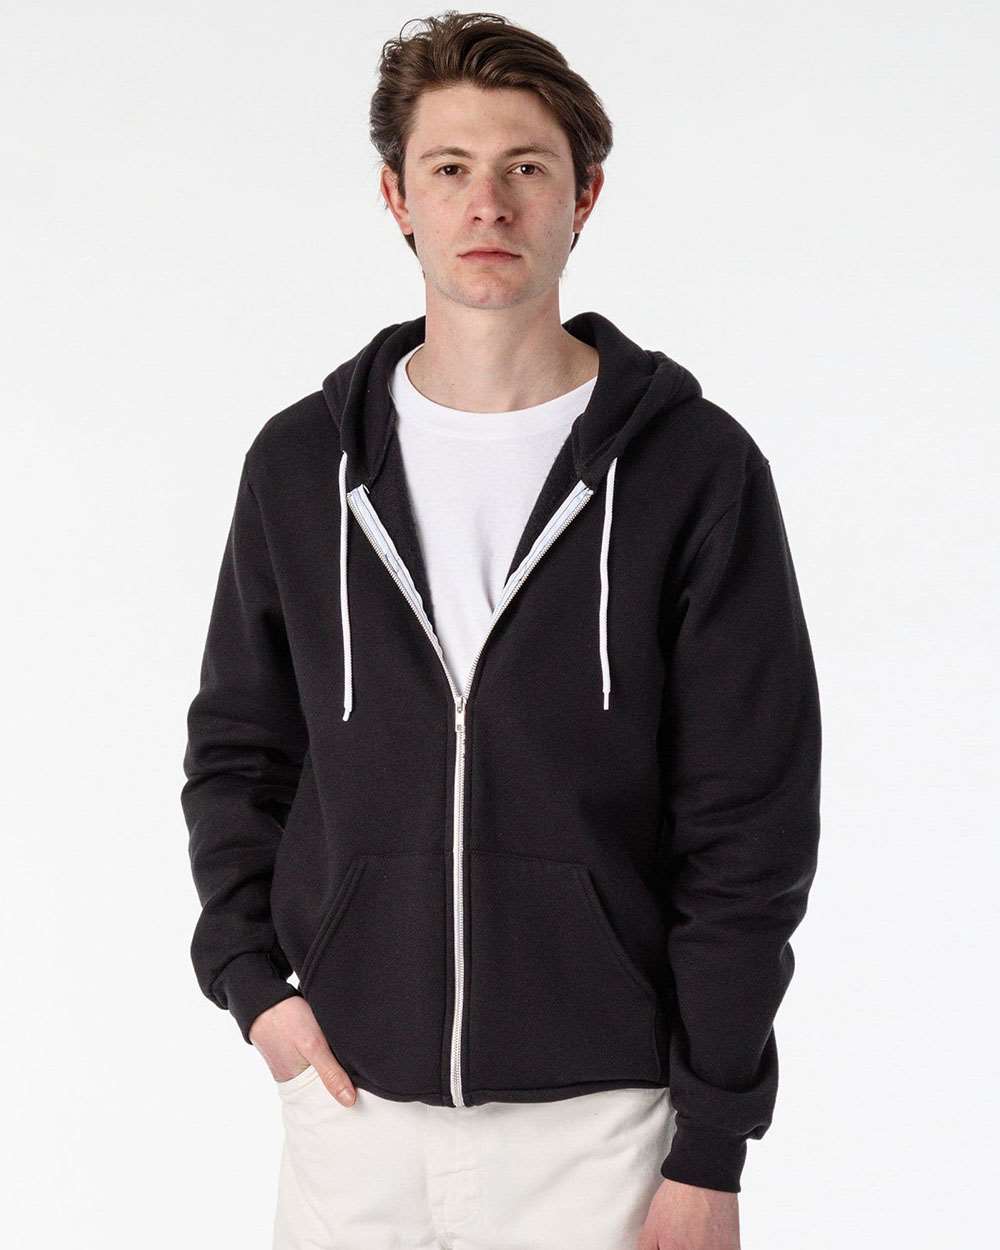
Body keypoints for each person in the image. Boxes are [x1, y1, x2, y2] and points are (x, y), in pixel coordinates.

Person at [181, 12, 822, 1250]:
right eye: (450, 168)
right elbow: (239, 753)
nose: (488, 204)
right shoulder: (302, 466)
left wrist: (710, 1143)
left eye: (526, 167)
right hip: (350, 1111)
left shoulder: (693, 470)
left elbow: (750, 822)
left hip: (606, 1129)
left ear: (584, 196)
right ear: (396, 196)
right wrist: (256, 988)